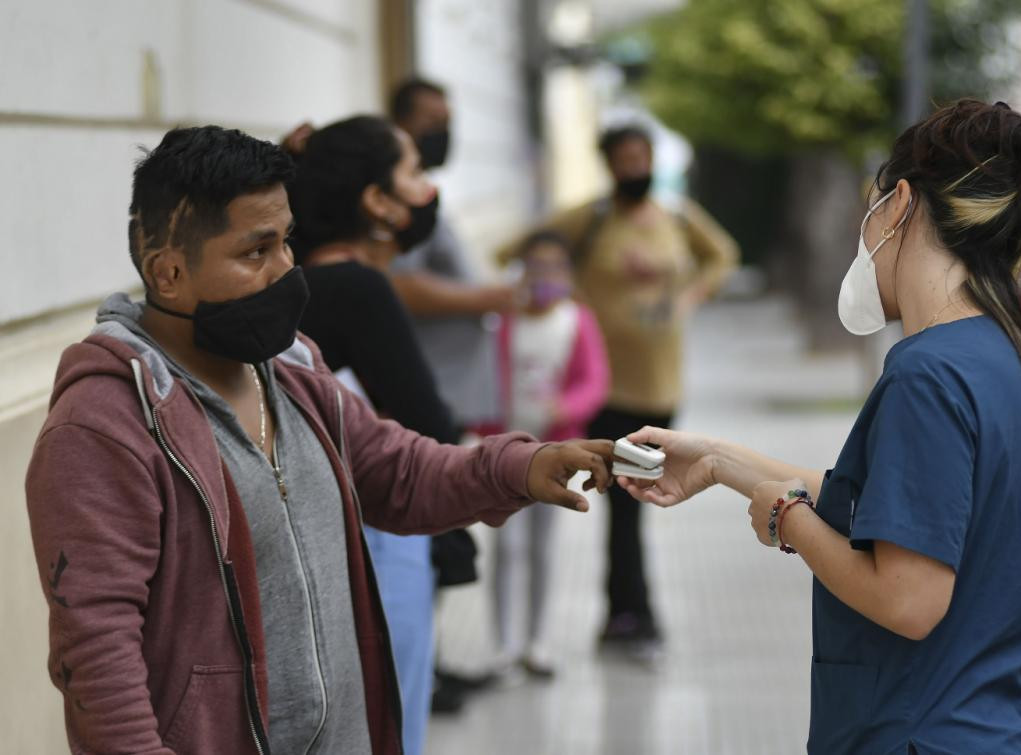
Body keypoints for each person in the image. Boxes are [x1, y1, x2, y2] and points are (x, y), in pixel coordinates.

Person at [24, 124, 615, 755]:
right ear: (168, 273)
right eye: (256, 252)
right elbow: (97, 650)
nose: (286, 269)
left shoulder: (292, 368)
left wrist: (524, 466)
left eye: (287, 242)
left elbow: (401, 471)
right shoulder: (105, 424)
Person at [617, 100, 1021, 752]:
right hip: (1020, 729)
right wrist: (719, 460)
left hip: (929, 735)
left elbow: (909, 598)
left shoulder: (927, 373)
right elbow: (906, 509)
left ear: (900, 204)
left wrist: (789, 518)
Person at [500, 123, 739, 655]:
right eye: (623, 159)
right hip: (603, 387)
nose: (634, 167)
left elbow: (723, 254)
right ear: (609, 165)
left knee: (637, 501)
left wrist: (691, 296)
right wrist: (558, 298)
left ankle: (627, 616)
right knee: (628, 503)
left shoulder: (677, 217)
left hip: (660, 385)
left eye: (642, 157)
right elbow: (517, 251)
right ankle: (631, 618)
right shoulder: (593, 217)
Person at [286, 114, 464, 755]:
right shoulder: (357, 290)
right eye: (413, 173)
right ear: (377, 202)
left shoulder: (293, 284)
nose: (427, 190)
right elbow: (430, 431)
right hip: (381, 545)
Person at [480, 230, 610, 678]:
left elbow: (595, 381)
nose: (544, 277)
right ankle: (503, 644)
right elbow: (486, 377)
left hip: (555, 453)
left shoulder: (578, 321)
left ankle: (537, 641)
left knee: (541, 548)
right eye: (535, 267)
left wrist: (567, 408)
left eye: (554, 268)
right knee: (506, 546)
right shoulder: (504, 321)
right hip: (505, 453)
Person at [388, 77, 516, 429]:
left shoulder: (424, 193)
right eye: (432, 123)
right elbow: (401, 284)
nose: (442, 133)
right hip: (432, 392)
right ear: (401, 124)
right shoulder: (401, 201)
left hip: (451, 396)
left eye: (446, 124)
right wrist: (485, 298)